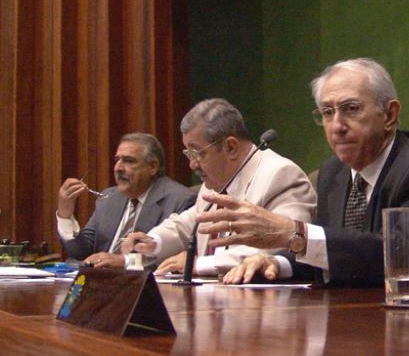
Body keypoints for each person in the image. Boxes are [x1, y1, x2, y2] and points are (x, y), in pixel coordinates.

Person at [197, 58, 409, 286]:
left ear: (390, 115)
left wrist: (294, 233)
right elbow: (337, 254)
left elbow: (399, 256)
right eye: (327, 112)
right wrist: (277, 263)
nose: (336, 126)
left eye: (351, 109)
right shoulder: (333, 173)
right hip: (359, 322)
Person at [121, 98, 315, 275]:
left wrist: (198, 264)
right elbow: (187, 224)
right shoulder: (214, 183)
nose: (192, 164)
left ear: (230, 147)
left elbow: (286, 244)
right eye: (189, 154)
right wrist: (153, 242)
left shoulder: (281, 175)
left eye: (198, 153)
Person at [56, 133, 196, 266]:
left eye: (129, 161)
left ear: (153, 167)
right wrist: (65, 215)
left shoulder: (180, 199)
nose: (118, 168)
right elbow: (81, 253)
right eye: (117, 160)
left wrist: (124, 262)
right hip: (102, 280)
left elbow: (171, 260)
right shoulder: (109, 198)